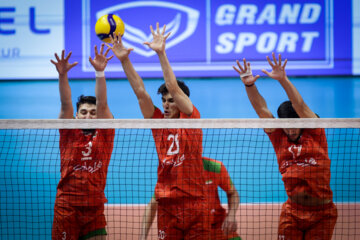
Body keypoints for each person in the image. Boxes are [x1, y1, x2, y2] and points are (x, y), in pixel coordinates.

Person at [107, 23, 210, 239]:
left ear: (183, 101)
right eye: (163, 100)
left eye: (171, 101)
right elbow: (140, 92)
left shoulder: (191, 117)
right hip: (167, 203)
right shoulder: (157, 122)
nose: (166, 104)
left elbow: (173, 86)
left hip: (194, 202)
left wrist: (161, 53)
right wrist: (125, 60)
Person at [233, 53, 338, 240]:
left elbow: (300, 105)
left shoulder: (315, 131)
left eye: (293, 125)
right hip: (292, 212)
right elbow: (262, 110)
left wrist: (283, 80)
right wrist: (249, 84)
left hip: (322, 214)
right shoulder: (279, 136)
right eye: (286, 125)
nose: (289, 130)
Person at [50, 44, 115, 240]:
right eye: (84, 112)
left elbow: (103, 103)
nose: (88, 115)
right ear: (76, 116)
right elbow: (65, 103)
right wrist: (62, 76)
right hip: (67, 207)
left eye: (93, 113)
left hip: (94, 207)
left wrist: (99, 73)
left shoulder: (106, 134)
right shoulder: (69, 132)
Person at [139, 157, 242, 240]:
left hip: (218, 225)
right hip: (190, 228)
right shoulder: (173, 174)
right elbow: (152, 205)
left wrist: (231, 215)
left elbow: (233, 193)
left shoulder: (214, 167)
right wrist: (142, 237)